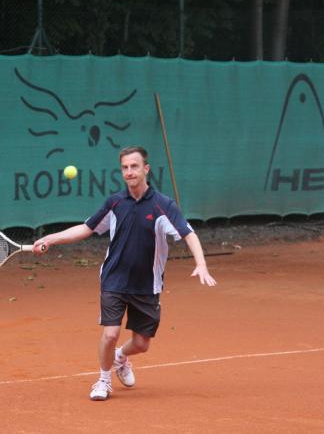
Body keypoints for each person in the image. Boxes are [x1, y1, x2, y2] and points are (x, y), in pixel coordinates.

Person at [33, 146, 217, 401]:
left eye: (134, 166)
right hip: (114, 279)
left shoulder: (163, 205)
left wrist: (201, 264)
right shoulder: (115, 203)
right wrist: (50, 239)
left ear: (146, 169)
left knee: (141, 344)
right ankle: (103, 380)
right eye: (125, 168)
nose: (129, 172)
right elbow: (86, 228)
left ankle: (120, 358)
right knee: (110, 333)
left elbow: (188, 234)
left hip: (146, 284)